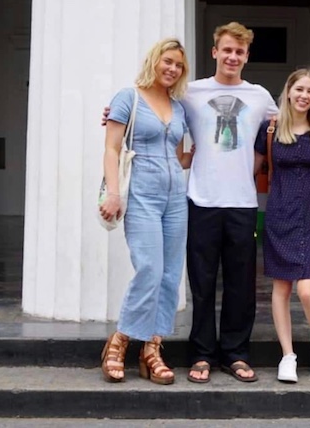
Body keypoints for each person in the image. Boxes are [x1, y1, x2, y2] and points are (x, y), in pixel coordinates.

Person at [103, 23, 278, 383]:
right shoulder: (190, 93)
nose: (232, 57)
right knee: (197, 282)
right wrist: (113, 114)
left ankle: (230, 353)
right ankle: (198, 354)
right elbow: (145, 109)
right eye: (226, 50)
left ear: (247, 56)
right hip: (198, 200)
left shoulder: (259, 96)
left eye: (239, 52)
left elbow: (290, 121)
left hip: (240, 201)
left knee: (232, 284)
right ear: (214, 52)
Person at [98, 38, 193, 385]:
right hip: (141, 195)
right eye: (167, 61)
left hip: (175, 198)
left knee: (170, 275)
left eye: (179, 65)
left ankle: (152, 348)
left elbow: (179, 157)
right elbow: (112, 149)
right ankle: (120, 339)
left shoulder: (179, 107)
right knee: (149, 268)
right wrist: (113, 193)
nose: (172, 69)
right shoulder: (129, 98)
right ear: (154, 61)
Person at [253, 68, 310, 383]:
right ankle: (287, 355)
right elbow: (251, 167)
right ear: (288, 91)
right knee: (282, 288)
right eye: (299, 89)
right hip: (280, 213)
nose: (304, 96)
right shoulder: (270, 128)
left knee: (308, 290)